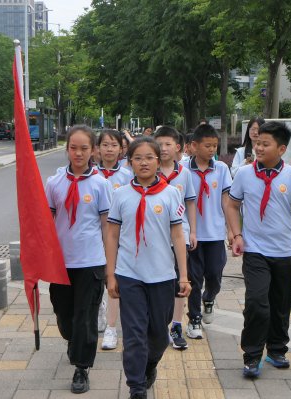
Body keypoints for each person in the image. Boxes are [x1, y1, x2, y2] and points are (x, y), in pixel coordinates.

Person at [225, 121, 291, 378]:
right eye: (257, 143)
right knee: (257, 302)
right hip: (255, 250)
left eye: (264, 144)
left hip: (284, 251)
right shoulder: (245, 174)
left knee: (280, 304)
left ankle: (277, 349)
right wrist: (236, 234)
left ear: (281, 149)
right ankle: (252, 355)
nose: (258, 148)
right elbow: (232, 205)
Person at [105, 137, 191, 399]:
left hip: (163, 276)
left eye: (149, 157)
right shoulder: (120, 195)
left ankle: (149, 365)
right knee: (133, 334)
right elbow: (111, 235)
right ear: (129, 162)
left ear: (159, 160)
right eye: (138, 158)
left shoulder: (170, 194)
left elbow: (178, 236)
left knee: (158, 336)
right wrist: (111, 274)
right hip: (129, 274)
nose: (144, 162)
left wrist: (184, 276)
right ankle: (136, 387)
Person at [44, 125, 112, 393]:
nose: (79, 153)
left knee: (85, 316)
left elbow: (108, 227)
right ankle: (73, 340)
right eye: (74, 147)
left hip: (91, 262)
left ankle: (82, 368)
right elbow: (46, 223)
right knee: (64, 316)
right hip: (60, 263)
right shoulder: (54, 183)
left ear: (93, 150)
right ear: (67, 149)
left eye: (84, 148)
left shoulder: (100, 184)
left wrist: (110, 266)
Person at [182, 124, 233, 339]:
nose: (212, 149)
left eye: (215, 145)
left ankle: (209, 298)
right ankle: (194, 318)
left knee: (215, 274)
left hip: (214, 234)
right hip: (192, 235)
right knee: (193, 279)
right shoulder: (183, 169)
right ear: (194, 146)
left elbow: (226, 200)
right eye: (207, 145)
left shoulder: (221, 169)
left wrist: (231, 230)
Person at [154, 126, 197, 350]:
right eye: (159, 144)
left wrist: (193, 231)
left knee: (181, 280)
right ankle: (159, 325)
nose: (163, 149)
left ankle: (177, 325)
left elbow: (190, 202)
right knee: (159, 283)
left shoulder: (185, 173)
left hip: (179, 236)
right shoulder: (148, 170)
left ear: (177, 147)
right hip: (154, 237)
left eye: (167, 144)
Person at [95, 129, 134, 350]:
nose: (109, 149)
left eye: (114, 145)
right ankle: (101, 307)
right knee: (99, 276)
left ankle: (112, 327)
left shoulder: (128, 175)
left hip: (121, 235)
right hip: (95, 235)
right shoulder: (92, 173)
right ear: (97, 149)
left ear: (122, 149)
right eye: (105, 145)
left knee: (115, 277)